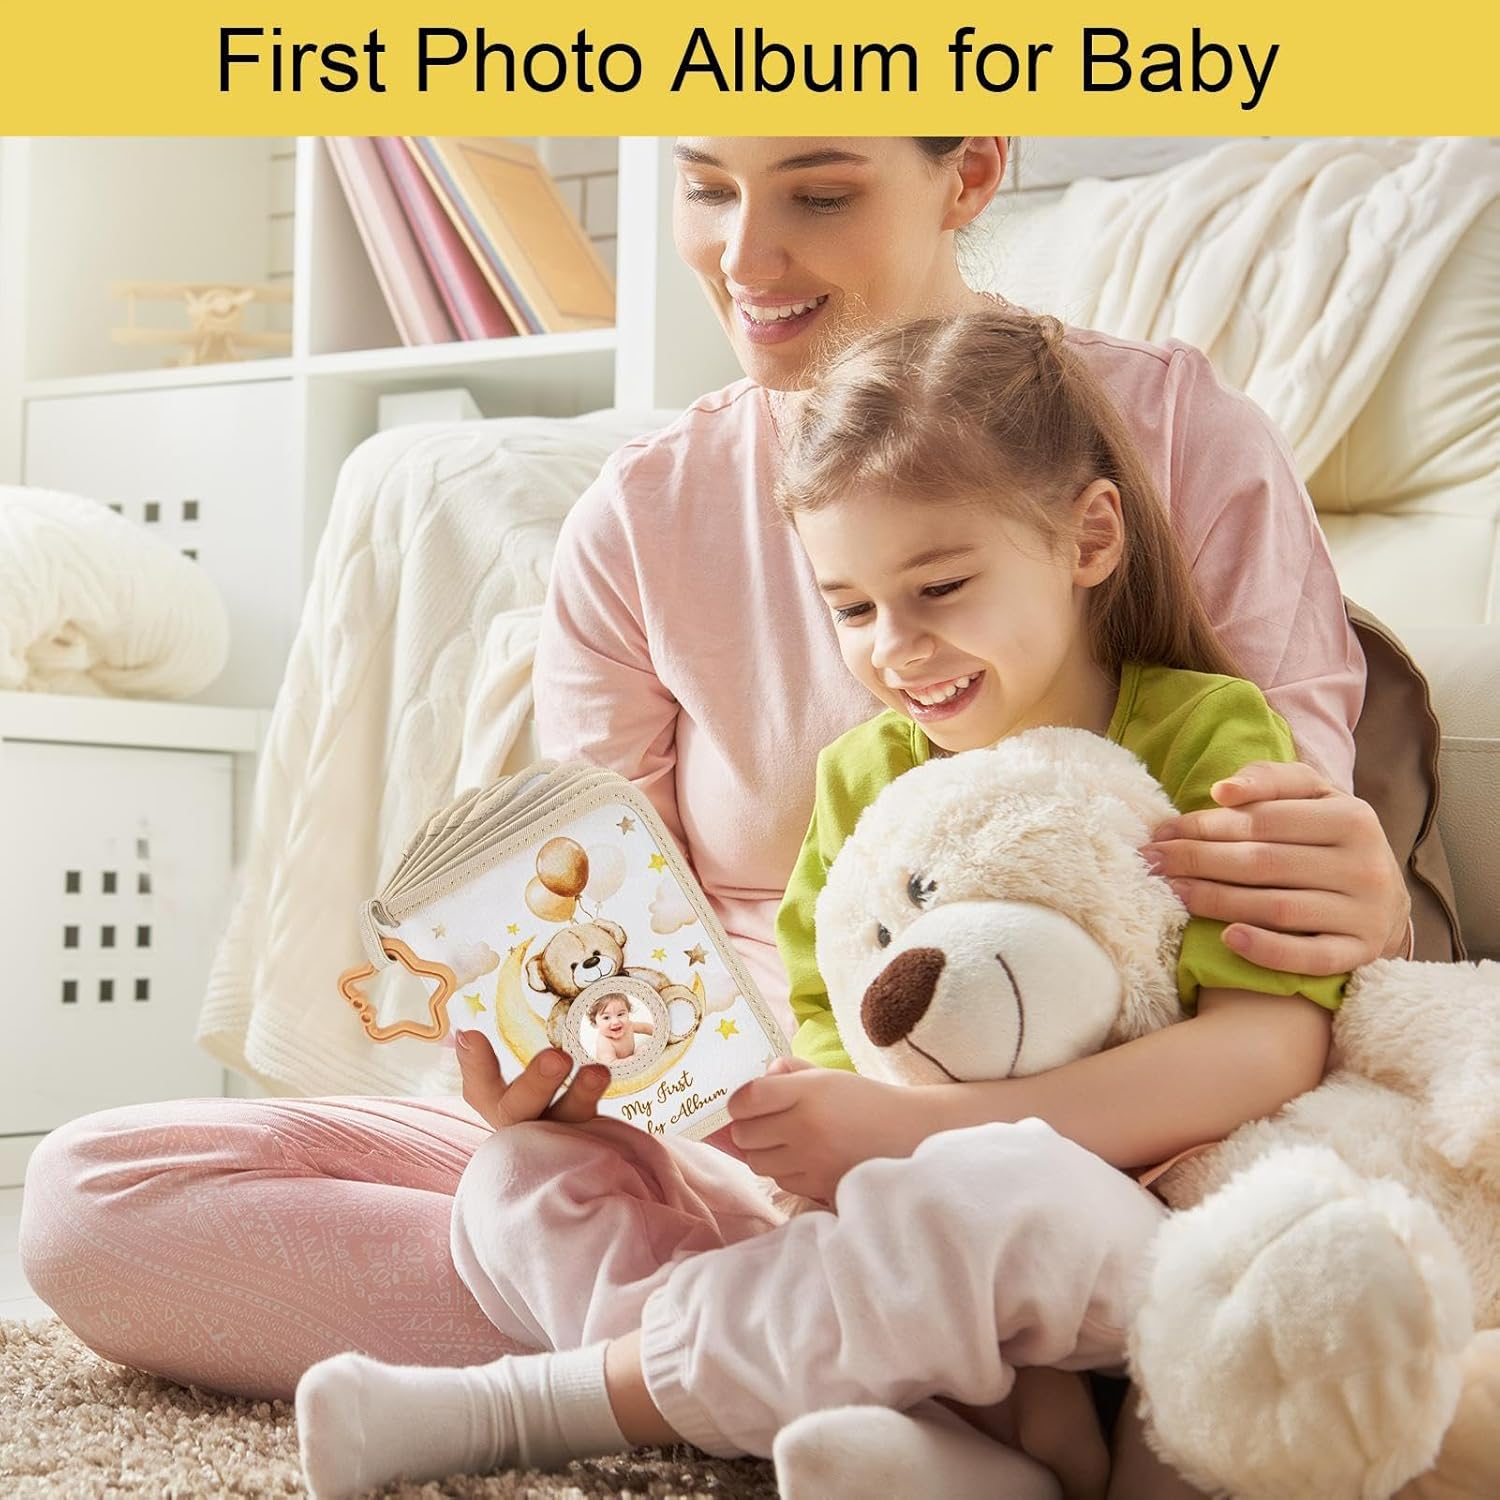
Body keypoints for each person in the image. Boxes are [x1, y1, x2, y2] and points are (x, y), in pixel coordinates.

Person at [20, 137, 1410, 1491]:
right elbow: (617, 922)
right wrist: (560, 1066)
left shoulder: (1170, 437)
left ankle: (673, 1373)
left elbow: (1284, 948)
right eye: (702, 187)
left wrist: (1361, 897)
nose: (746, 257)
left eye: (819, 188)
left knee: (1165, 1239)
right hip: (759, 1144)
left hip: (1105, 1154)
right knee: (97, 1196)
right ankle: (871, 1368)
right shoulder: (645, 522)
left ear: (970, 172)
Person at [292, 307, 1350, 1500]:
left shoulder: (1208, 735)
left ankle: (550, 1403)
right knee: (518, 1183)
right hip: (910, 1253)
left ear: (1088, 537)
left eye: (940, 586)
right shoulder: (863, 785)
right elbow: (837, 1065)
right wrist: (617, 1104)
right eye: (850, 608)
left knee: (988, 1199)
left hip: (1135, 1237)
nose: (897, 648)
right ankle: (981, 1455)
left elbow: (1275, 1045)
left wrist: (917, 1142)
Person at [588, 993, 654, 1064]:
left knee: (643, 1048)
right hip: (614, 1071)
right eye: (606, 1017)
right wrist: (635, 1057)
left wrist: (659, 1033)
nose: (615, 1022)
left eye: (620, 1014)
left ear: (628, 1013)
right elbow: (611, 1065)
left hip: (629, 1062)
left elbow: (645, 1028)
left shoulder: (628, 1025)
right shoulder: (604, 1043)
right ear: (595, 1021)